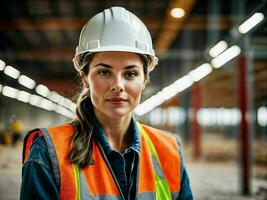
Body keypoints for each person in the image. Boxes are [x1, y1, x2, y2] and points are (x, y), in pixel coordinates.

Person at [20, 6, 193, 200]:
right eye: (104, 72)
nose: (118, 85)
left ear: (144, 79)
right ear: (85, 77)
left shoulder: (168, 150)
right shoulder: (47, 152)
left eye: (130, 74)